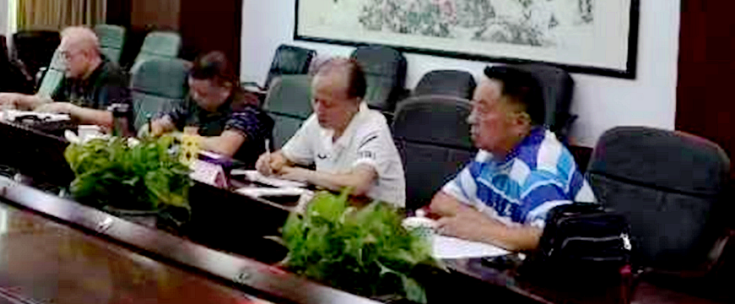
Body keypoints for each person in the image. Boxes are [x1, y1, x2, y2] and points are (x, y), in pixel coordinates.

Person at [429, 65, 594, 252]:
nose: (471, 119)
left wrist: (477, 230)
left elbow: (547, 237)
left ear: (520, 122)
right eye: (473, 108)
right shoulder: (491, 153)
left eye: (482, 110)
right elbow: (442, 201)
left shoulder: (540, 168)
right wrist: (490, 227)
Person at [256, 58, 405, 207]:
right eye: (315, 100)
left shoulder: (374, 127)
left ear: (355, 103)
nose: (319, 110)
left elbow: (358, 184)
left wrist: (303, 174)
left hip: (374, 216)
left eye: (328, 104)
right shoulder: (317, 121)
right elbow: (286, 156)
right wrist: (271, 162)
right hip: (333, 208)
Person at [0, 26, 131, 129]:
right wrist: (17, 99)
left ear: (86, 55)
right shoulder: (73, 73)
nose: (63, 62)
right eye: (62, 56)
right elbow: (50, 102)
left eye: (67, 56)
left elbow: (115, 120)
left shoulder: (111, 76)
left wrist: (68, 108)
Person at [149, 52, 271, 165]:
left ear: (226, 88)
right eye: (192, 90)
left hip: (237, 177)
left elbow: (224, 148)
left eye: (202, 94)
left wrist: (176, 136)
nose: (195, 97)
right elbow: (165, 123)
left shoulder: (246, 109)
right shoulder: (194, 102)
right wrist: (155, 128)